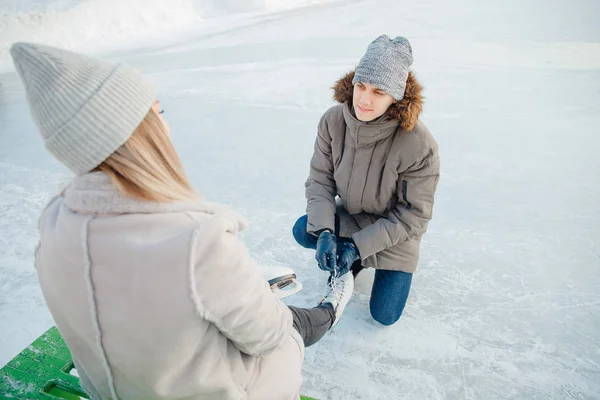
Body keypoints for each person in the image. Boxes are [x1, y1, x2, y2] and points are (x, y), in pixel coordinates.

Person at [10, 42, 354, 400]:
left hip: (112, 388)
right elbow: (266, 337)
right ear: (140, 134)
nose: (167, 126)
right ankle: (322, 314)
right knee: (286, 332)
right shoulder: (196, 238)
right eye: (158, 112)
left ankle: (252, 294)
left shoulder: (53, 222)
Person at [292, 35, 440, 326]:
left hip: (393, 234)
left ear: (395, 96)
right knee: (304, 230)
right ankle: (350, 256)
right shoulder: (333, 122)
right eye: (361, 86)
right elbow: (320, 181)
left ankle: (356, 255)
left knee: (384, 315)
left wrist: (358, 246)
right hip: (352, 216)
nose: (364, 99)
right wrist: (324, 232)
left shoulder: (419, 145)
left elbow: (413, 216)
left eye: (378, 92)